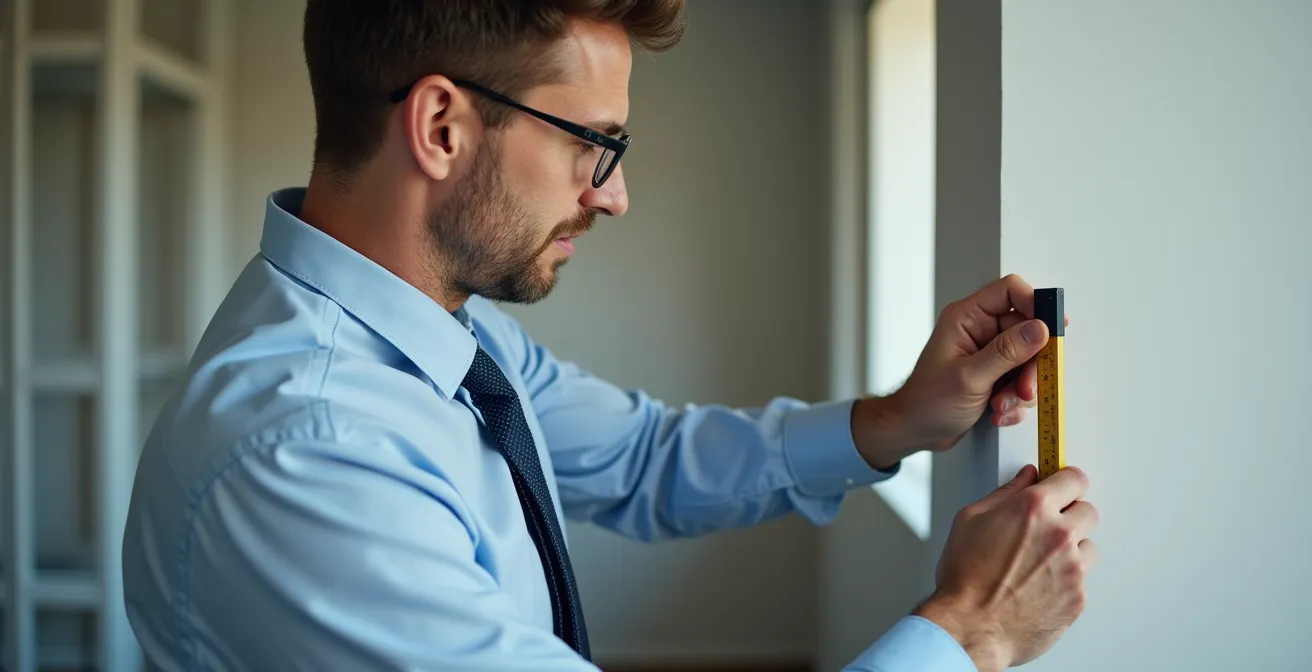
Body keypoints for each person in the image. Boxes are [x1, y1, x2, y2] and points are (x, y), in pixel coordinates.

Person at [121, 1, 1098, 670]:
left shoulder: (452, 339)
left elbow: (640, 458)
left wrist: (892, 422)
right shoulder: (307, 455)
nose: (614, 195)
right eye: (592, 142)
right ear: (442, 127)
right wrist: (970, 630)